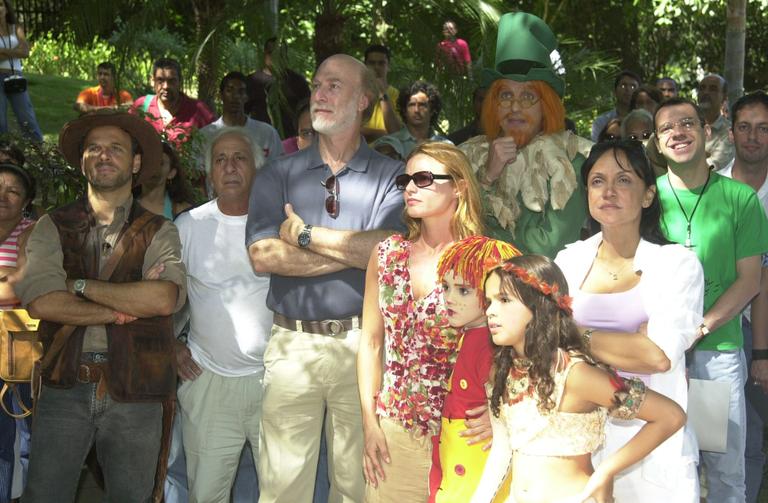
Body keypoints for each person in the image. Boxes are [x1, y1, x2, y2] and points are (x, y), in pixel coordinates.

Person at [246, 53, 405, 503]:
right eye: (317, 85)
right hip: (291, 345)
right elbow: (263, 256)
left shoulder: (391, 176)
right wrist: (358, 250)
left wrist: (307, 236)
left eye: (334, 85)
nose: (319, 93)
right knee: (281, 488)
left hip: (364, 346)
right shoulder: (279, 172)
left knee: (358, 487)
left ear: (364, 101)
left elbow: (388, 250)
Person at [15, 110, 186, 502]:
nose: (103, 155)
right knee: (44, 496)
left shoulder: (160, 230)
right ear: (82, 160)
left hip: (138, 388)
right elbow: (42, 301)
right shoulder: (51, 225)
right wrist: (122, 308)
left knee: (133, 497)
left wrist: (77, 286)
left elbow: (163, 298)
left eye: (115, 149)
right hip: (65, 382)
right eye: (93, 148)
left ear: (136, 162)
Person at [555, 140, 704, 502]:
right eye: (597, 181)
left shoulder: (677, 264)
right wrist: (627, 342)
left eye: (623, 180)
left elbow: (656, 357)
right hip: (582, 441)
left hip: (653, 443)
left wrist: (573, 334)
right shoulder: (567, 261)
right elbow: (547, 350)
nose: (608, 191)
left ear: (648, 195)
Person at [472, 254, 687, 503]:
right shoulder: (502, 370)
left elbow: (670, 416)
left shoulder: (575, 375)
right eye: (488, 301)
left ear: (539, 305)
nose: (490, 311)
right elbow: (502, 451)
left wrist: (607, 471)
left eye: (504, 300)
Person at [654, 97, 768, 502]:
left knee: (719, 471)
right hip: (653, 358)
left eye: (687, 123)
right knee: (660, 468)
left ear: (706, 133)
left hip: (712, 354)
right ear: (656, 143)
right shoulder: (646, 199)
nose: (677, 132)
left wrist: (700, 328)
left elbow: (750, 281)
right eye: (666, 128)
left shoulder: (740, 199)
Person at [358, 142, 485, 501]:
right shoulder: (386, 254)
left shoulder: (483, 259)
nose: (410, 188)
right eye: (406, 179)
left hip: (461, 433)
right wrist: (370, 423)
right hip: (394, 432)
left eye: (424, 178)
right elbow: (370, 343)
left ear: (458, 187)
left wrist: (494, 414)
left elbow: (509, 350)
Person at [170, 127, 269, 502]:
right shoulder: (189, 226)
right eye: (220, 160)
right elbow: (166, 299)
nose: (230, 167)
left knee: (283, 492)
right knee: (206, 493)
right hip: (208, 380)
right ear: (209, 172)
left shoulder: (277, 225)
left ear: (256, 169)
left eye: (240, 158)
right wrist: (170, 346)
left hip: (272, 380)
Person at [459, 12, 592, 258]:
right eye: (506, 95)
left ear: (547, 106)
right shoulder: (467, 156)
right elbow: (452, 230)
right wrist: (488, 176)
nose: (515, 107)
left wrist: (483, 239)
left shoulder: (571, 159)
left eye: (528, 96)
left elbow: (549, 247)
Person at [428, 235, 519, 503]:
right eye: (445, 287)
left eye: (464, 290)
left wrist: (499, 423)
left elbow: (512, 416)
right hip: (454, 460)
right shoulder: (472, 337)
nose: (450, 298)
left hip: (477, 471)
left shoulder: (490, 347)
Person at [718, 90, 768, 503]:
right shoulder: (710, 185)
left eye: (764, 128)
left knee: (754, 439)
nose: (754, 137)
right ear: (731, 133)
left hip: (764, 332)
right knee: (721, 438)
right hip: (720, 331)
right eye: (745, 127)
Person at [0, 160, 34, 503]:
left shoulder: (31, 230)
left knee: (22, 424)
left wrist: (10, 280)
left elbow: (18, 287)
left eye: (13, 191)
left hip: (17, 333)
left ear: (25, 202)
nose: (3, 196)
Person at [200, 71, 283, 163]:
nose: (235, 96)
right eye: (229, 90)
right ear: (220, 96)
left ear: (246, 97)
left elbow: (280, 169)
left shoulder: (267, 134)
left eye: (241, 91)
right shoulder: (206, 135)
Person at [132, 57, 215, 145]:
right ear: (152, 81)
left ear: (180, 82)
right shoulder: (141, 106)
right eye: (160, 80)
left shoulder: (199, 110)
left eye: (171, 81)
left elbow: (216, 141)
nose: (166, 86)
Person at [245, 37, 311, 139]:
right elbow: (242, 112)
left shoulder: (297, 81)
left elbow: (308, 110)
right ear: (265, 54)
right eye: (271, 53)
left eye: (280, 54)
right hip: (260, 142)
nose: (275, 58)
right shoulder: (251, 81)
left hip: (291, 141)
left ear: (285, 56)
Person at [373, 81, 451, 159]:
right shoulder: (390, 142)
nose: (416, 110)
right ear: (404, 110)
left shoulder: (446, 146)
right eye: (412, 105)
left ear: (432, 110)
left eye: (422, 105)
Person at [0, 0, 41, 141]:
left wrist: (3, 51)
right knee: (0, 121)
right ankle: (4, 155)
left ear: (6, 8)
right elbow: (19, 51)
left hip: (15, 76)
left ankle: (40, 154)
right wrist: (14, 51)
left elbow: (25, 52)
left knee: (27, 118)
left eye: (0, 4)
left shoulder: (16, 28)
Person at [137, 141, 194, 219]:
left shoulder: (183, 212)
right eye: (150, 162)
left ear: (171, 173)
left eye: (161, 163)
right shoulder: (124, 206)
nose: (153, 168)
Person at [361, 45, 402, 142]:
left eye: (381, 63)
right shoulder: (355, 92)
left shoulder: (397, 96)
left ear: (388, 67)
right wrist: (383, 135)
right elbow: (348, 131)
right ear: (365, 66)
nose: (376, 67)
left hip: (387, 155)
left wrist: (382, 93)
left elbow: (397, 133)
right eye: (371, 63)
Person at [591, 70, 641, 142]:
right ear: (615, 92)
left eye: (633, 86)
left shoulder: (646, 121)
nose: (628, 89)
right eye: (623, 86)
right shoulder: (601, 122)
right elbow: (595, 149)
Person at [697, 73, 735, 170]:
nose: (706, 92)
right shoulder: (686, 126)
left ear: (724, 98)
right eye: (702, 88)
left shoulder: (730, 132)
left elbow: (713, 166)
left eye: (713, 89)